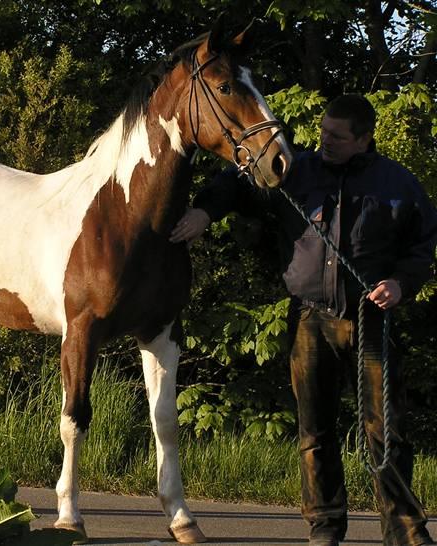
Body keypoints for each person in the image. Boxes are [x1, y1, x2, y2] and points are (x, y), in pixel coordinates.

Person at [171, 94, 437, 546]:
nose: (324, 140)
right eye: (323, 130)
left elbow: (423, 246)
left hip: (372, 321)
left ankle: (405, 531)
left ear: (363, 139)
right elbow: (234, 183)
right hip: (309, 318)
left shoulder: (398, 183)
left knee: (387, 432)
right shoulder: (296, 170)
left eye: (336, 135)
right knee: (314, 430)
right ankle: (325, 526)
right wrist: (204, 211)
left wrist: (400, 282)